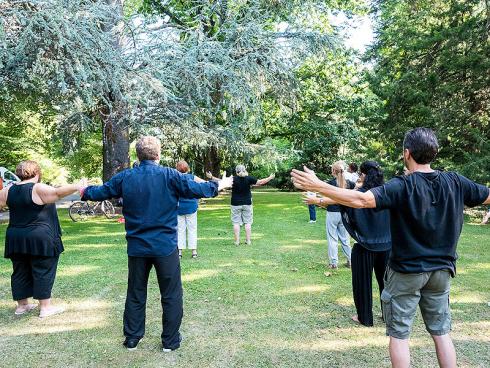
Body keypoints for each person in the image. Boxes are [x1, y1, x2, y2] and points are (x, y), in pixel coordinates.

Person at [291, 127, 490, 368]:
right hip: (442, 272)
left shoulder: (404, 186)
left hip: (406, 272)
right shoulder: (456, 181)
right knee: (441, 333)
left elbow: (362, 200)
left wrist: (319, 185)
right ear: (434, 153)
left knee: (399, 335)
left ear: (407, 153)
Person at [81, 136, 232, 352]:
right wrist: (221, 184)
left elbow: (100, 192)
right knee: (171, 294)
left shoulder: (127, 177)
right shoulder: (169, 175)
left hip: (138, 247)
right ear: (158, 155)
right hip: (164, 247)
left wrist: (84, 190)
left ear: (138, 155)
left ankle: (132, 338)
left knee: (136, 291)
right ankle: (169, 341)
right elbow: (199, 189)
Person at [305, 161, 391, 326]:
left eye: (361, 174)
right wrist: (319, 200)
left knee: (362, 283)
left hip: (365, 246)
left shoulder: (360, 194)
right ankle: (389, 315)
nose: (359, 177)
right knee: (387, 283)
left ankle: (364, 317)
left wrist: (318, 200)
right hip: (386, 245)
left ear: (365, 175)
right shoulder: (387, 192)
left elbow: (342, 199)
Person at [0, 160, 85, 318]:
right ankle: (45, 308)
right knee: (43, 269)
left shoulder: (7, 190)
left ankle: (22, 306)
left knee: (20, 270)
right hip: (39, 237)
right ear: (37, 173)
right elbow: (58, 193)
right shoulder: (37, 188)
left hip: (15, 237)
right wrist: (78, 186)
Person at [231, 165, 274, 246]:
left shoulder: (233, 179)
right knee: (248, 223)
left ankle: (237, 242)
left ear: (236, 171)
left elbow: (220, 181)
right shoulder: (249, 178)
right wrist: (270, 178)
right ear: (244, 170)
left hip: (235, 203)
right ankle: (248, 241)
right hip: (247, 203)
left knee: (236, 223)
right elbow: (261, 182)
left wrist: (211, 177)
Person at [325, 161, 355, 269]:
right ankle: (351, 261)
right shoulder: (350, 184)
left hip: (332, 212)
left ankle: (333, 263)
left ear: (333, 171)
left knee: (332, 238)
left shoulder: (330, 183)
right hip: (344, 214)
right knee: (345, 238)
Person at [175, 160, 206, 258]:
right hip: (191, 206)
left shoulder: (175, 178)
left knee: (180, 229)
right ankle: (194, 251)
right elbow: (204, 183)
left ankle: (179, 252)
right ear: (187, 168)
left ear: (177, 169)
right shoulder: (192, 177)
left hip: (179, 207)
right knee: (192, 228)